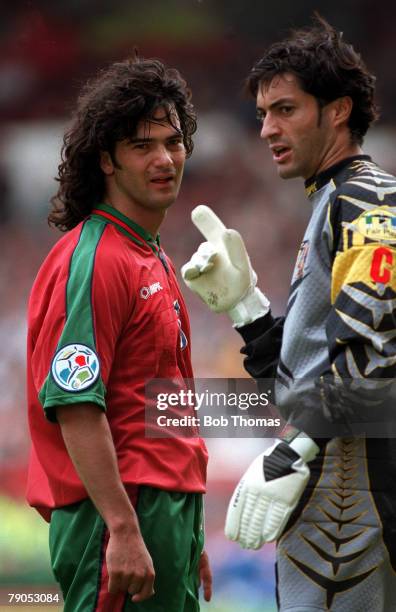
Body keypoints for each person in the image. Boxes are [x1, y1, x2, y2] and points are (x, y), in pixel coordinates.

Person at [182, 15, 396, 612]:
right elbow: (304, 380)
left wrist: (291, 449)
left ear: (338, 110)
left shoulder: (369, 201)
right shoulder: (332, 199)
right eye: (262, 115)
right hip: (330, 490)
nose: (268, 129)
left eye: (285, 109)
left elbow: (373, 360)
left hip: (357, 493)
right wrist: (247, 307)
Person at [26, 55, 212, 612]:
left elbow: (159, 405)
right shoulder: (97, 259)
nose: (164, 159)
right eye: (141, 146)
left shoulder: (149, 255)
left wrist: (189, 528)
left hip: (162, 515)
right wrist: (125, 530)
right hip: (118, 518)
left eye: (173, 142)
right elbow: (77, 403)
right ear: (106, 160)